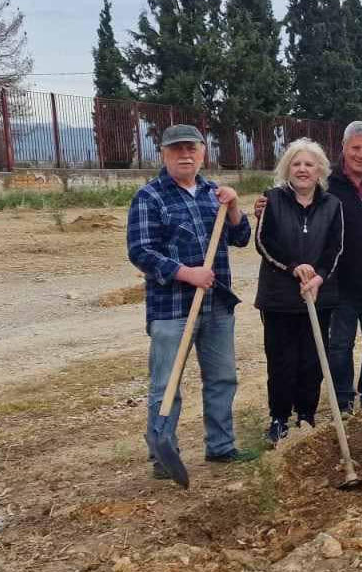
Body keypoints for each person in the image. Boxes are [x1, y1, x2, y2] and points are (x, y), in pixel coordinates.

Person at [127, 124, 253, 477]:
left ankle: (222, 447)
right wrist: (187, 272)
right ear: (164, 155)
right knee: (166, 384)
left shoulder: (214, 193)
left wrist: (234, 209)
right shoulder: (149, 197)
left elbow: (241, 238)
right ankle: (162, 457)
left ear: (202, 153)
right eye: (176, 149)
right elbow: (140, 252)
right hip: (171, 309)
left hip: (217, 304)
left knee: (222, 378)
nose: (185, 155)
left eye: (191, 149)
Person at [255, 121, 362, 413]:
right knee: (338, 346)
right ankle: (342, 401)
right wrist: (263, 208)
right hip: (337, 281)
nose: (361, 154)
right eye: (355, 148)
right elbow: (272, 232)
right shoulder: (327, 182)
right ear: (344, 148)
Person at [254, 138, 344, 444]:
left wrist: (318, 276)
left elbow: (336, 248)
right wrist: (294, 267)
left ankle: (306, 415)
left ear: (320, 170)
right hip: (279, 296)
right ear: (286, 169)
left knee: (312, 359)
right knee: (281, 359)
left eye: (309, 164)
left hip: (318, 296)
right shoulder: (272, 199)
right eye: (296, 164)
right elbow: (264, 242)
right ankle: (279, 417)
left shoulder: (333, 205)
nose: (303, 169)